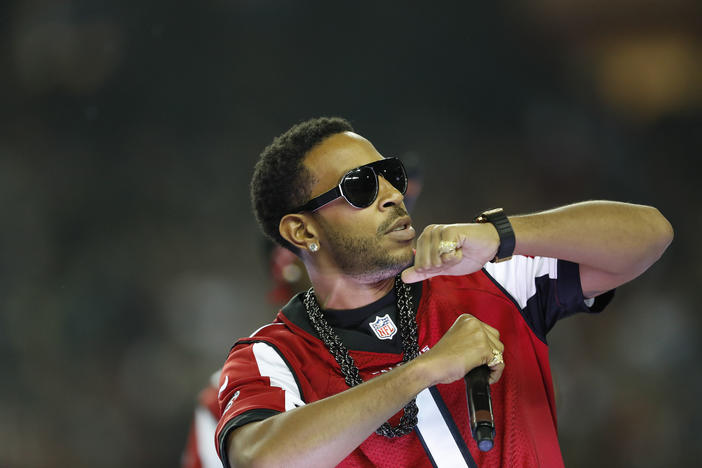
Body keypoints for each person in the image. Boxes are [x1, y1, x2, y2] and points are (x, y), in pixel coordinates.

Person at [214, 117, 673, 468]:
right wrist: (423, 370)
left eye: (389, 175)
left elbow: (651, 235)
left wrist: (501, 235)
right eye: (361, 187)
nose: (393, 194)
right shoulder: (271, 357)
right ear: (301, 229)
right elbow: (259, 458)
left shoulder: (485, 275)